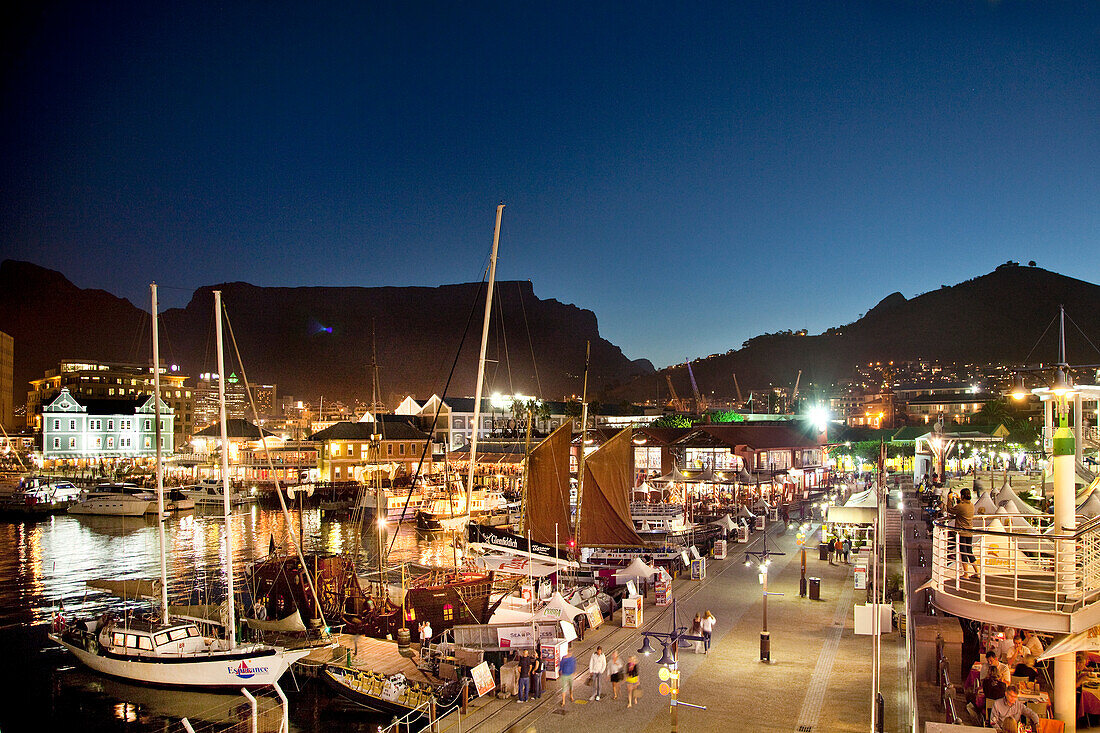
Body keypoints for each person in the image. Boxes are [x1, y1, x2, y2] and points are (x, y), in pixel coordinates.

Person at [945, 488, 977, 578]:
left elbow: (950, 509)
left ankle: (966, 573)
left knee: (963, 553)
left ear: (963, 496)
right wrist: (959, 499)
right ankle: (977, 572)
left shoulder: (961, 506)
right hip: (969, 531)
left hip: (962, 532)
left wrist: (950, 498)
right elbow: (962, 508)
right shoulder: (971, 505)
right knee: (970, 552)